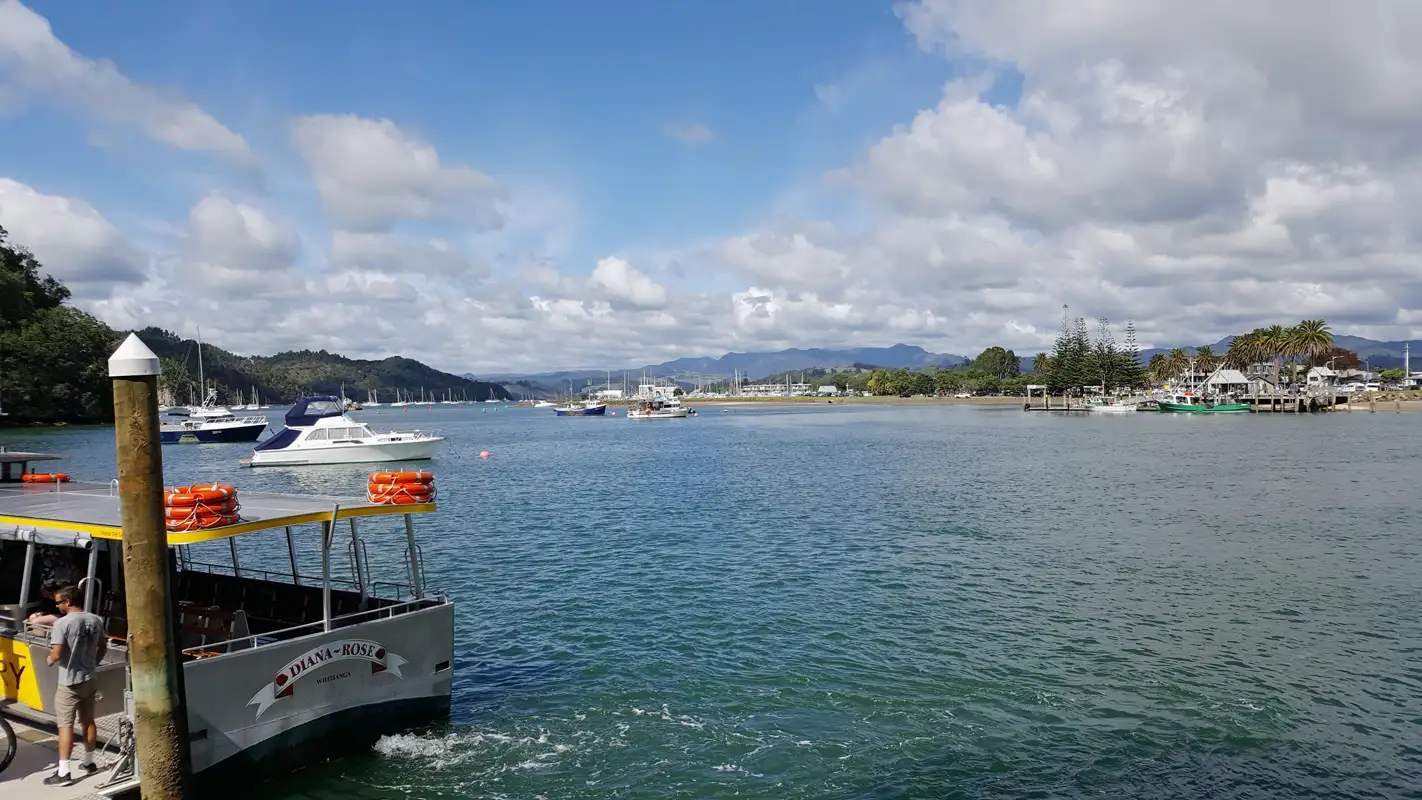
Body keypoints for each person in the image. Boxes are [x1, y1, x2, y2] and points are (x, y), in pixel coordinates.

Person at [43, 585, 106, 786]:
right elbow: (102, 647)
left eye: (58, 602)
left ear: (68, 601)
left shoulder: (62, 623)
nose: (57, 606)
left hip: (69, 683)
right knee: (88, 721)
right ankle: (88, 762)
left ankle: (63, 772)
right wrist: (93, 664)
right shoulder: (96, 620)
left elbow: (58, 652)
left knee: (65, 726)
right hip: (90, 678)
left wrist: (50, 659)